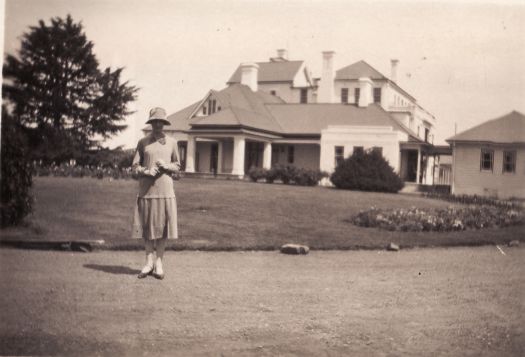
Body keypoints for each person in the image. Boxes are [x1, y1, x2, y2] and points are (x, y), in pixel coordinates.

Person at [131, 107, 180, 280]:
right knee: (147, 228)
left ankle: (159, 262)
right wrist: (146, 171)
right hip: (147, 191)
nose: (158, 124)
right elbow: (134, 168)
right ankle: (148, 262)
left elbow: (178, 168)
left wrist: (167, 166)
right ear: (150, 123)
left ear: (164, 124)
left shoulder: (172, 142)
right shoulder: (142, 142)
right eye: (154, 121)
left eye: (161, 122)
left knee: (163, 229)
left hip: (165, 190)